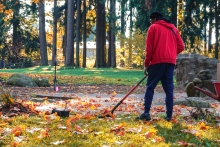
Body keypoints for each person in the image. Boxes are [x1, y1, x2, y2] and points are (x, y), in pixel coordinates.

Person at [136, 11, 184, 121]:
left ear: (154, 19)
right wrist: (171, 54)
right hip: (170, 63)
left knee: (150, 87)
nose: (150, 22)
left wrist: (146, 65)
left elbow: (149, 49)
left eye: (151, 20)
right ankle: (169, 116)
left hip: (157, 63)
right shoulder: (173, 29)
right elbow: (181, 46)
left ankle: (146, 113)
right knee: (169, 90)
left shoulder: (153, 28)